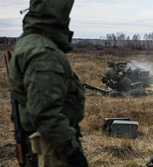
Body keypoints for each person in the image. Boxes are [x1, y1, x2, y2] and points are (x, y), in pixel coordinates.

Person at [9, 0, 88, 166]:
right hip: (52, 152)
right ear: (54, 14)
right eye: (65, 14)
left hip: (47, 146)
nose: (69, 19)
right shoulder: (44, 53)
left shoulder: (30, 42)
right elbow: (45, 114)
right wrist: (72, 152)